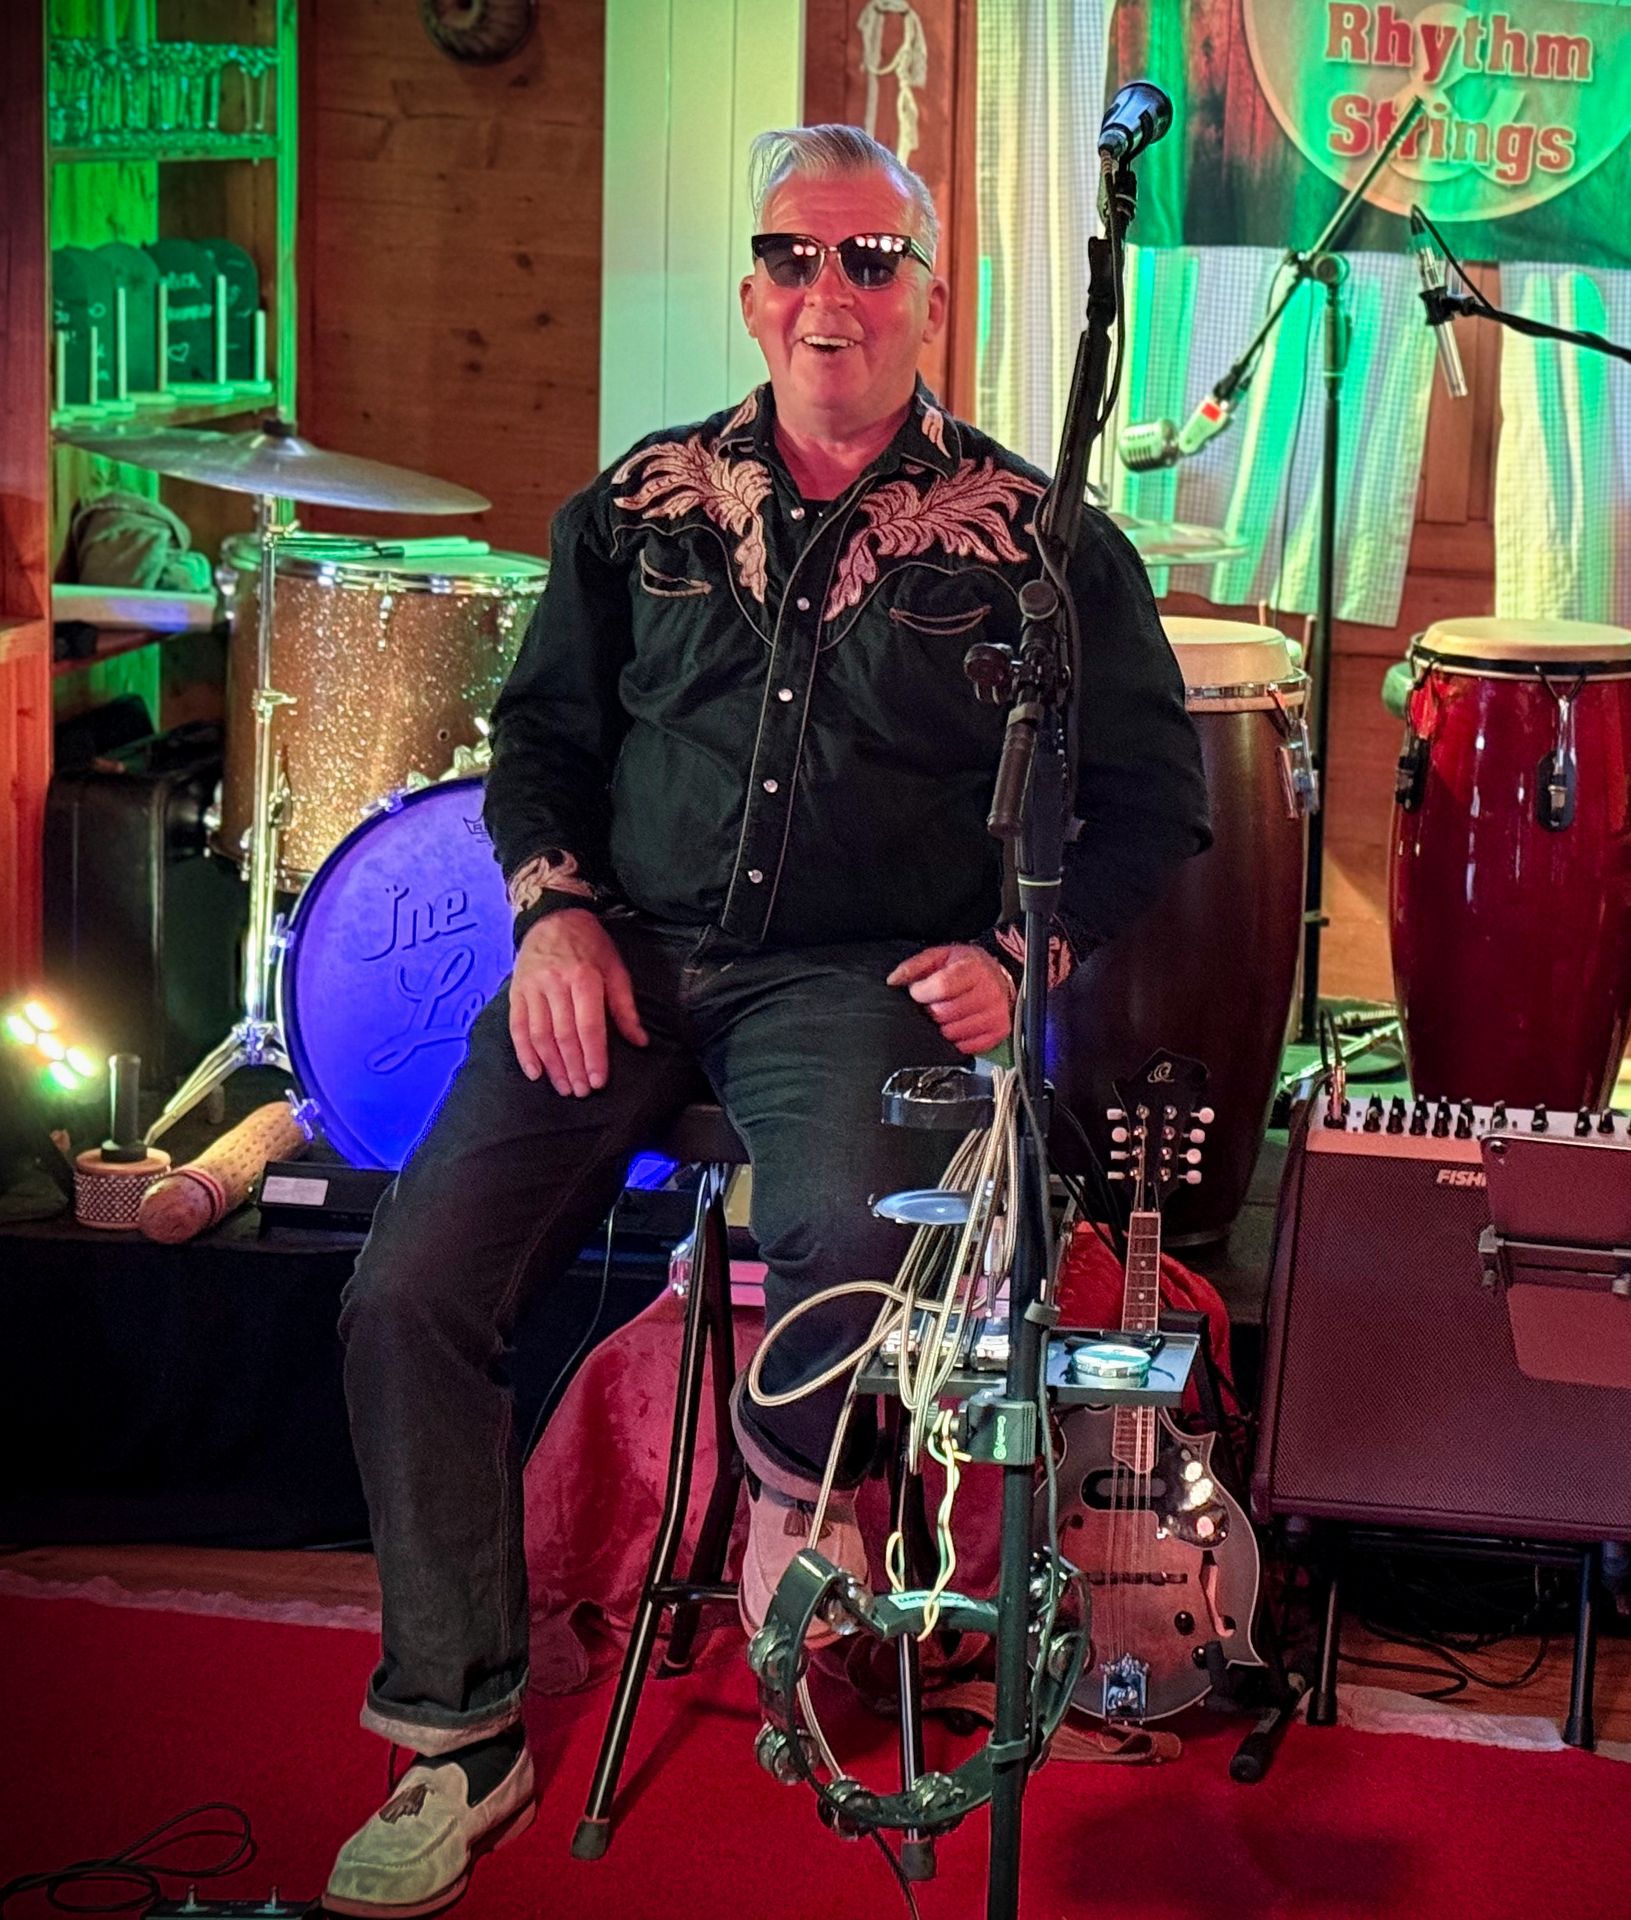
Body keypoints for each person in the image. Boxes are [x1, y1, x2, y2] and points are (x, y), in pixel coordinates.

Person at [324, 123, 1208, 1916]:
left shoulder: (1038, 539)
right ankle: (459, 1731)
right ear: (750, 291)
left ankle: (797, 1506)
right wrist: (553, 912)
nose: (830, 292)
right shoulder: (636, 503)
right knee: (407, 1288)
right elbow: (542, 742)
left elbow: (1153, 802)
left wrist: (1024, 956)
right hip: (625, 950)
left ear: (931, 298)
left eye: (872, 259)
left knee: (850, 1236)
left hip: (852, 978)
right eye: (796, 256)